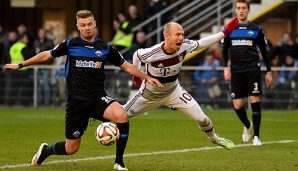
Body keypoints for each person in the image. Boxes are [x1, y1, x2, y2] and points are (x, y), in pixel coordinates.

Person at [4, 10, 162, 170]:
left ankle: (119, 162)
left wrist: (147, 77)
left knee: (121, 116)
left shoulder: (105, 48)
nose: (87, 28)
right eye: (83, 25)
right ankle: (46, 150)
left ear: (94, 24)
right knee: (71, 148)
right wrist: (20, 65)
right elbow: (47, 55)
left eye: (89, 24)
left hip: (98, 99)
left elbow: (127, 66)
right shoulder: (70, 44)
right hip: (76, 103)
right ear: (78, 26)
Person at [123, 17, 240, 150]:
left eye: (182, 34)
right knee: (120, 114)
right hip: (149, 95)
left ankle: (214, 138)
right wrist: (136, 75)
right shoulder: (153, 53)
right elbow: (137, 54)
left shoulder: (185, 46)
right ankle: (96, 113)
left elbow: (201, 43)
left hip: (174, 92)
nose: (181, 37)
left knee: (203, 119)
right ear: (166, 36)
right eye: (177, 34)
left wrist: (224, 33)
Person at [221, 0, 273, 146]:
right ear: (235, 10)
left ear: (248, 10)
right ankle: (248, 125)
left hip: (253, 70)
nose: (241, 10)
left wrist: (269, 71)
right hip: (236, 71)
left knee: (255, 100)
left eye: (244, 8)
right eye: (238, 8)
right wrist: (225, 67)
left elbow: (264, 51)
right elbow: (224, 51)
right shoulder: (229, 29)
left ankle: (257, 137)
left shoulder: (256, 29)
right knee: (238, 105)